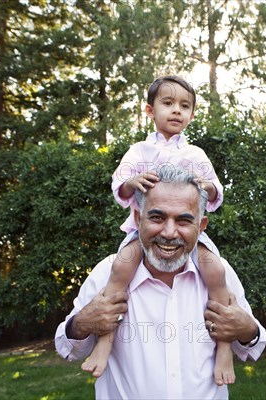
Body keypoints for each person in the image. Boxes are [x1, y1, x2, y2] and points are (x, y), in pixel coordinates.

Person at [55, 166, 266, 399]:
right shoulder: (109, 271)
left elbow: (253, 347)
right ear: (138, 219)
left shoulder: (219, 273)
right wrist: (82, 323)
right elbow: (68, 349)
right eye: (157, 217)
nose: (168, 232)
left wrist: (248, 329)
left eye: (184, 221)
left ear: (201, 226)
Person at [81, 75, 234, 385]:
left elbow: (216, 192)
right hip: (143, 234)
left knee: (216, 272)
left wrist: (204, 186)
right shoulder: (139, 152)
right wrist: (131, 183)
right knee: (121, 271)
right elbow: (119, 184)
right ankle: (105, 341)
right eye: (168, 103)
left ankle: (225, 348)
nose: (176, 111)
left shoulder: (196, 156)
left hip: (190, 237)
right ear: (150, 111)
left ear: (192, 114)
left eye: (185, 106)